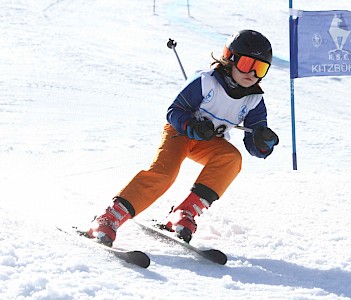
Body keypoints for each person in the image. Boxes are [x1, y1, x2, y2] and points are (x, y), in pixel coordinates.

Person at [85, 29, 279, 246]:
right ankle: (109, 218)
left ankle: (183, 213)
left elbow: (254, 142)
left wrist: (263, 143)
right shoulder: (206, 82)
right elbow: (174, 111)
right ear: (229, 59)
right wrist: (191, 126)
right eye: (246, 64)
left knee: (232, 158)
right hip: (180, 133)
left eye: (260, 68)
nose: (252, 73)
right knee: (164, 173)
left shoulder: (254, 100)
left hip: (209, 142)